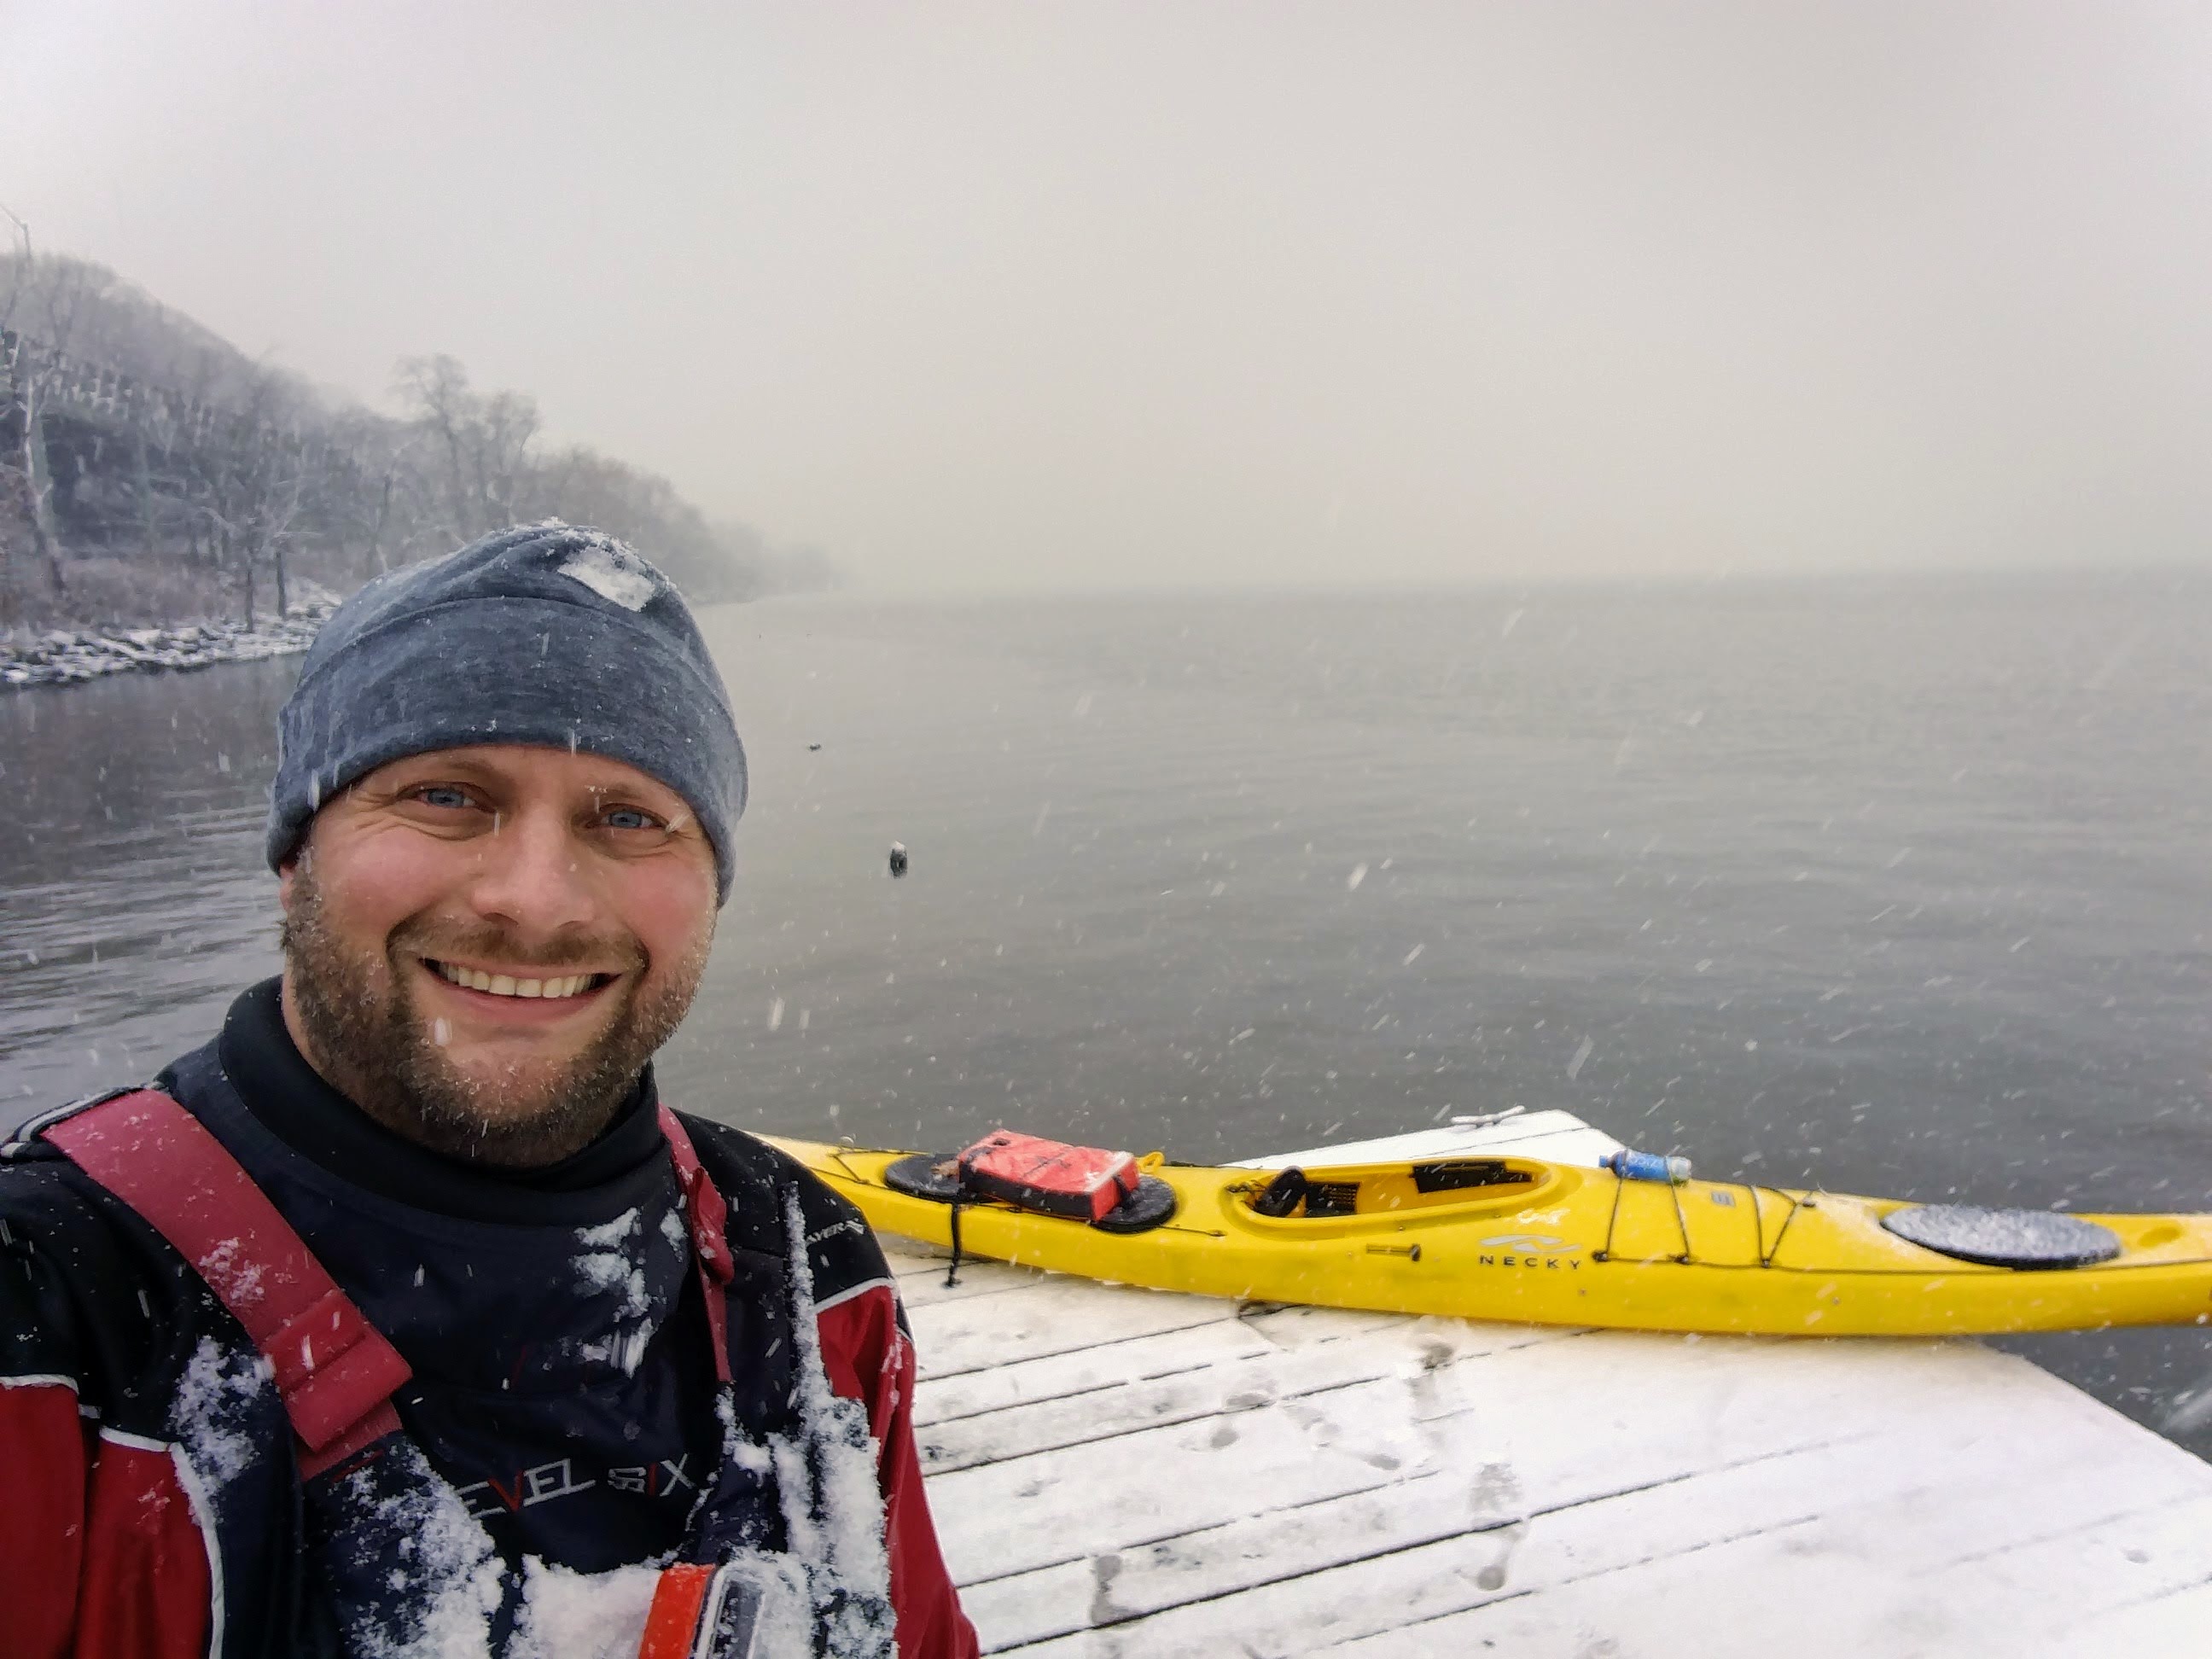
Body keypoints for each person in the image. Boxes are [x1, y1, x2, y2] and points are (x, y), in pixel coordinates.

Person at [0, 525, 980, 1658]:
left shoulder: (806, 1271)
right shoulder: (58, 1328)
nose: (537, 901)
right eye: (448, 796)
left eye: (628, 817)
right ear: (293, 858)